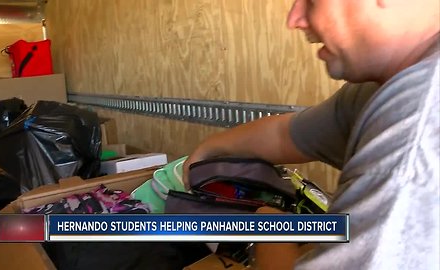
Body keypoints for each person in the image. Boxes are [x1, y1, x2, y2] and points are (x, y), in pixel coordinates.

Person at [183, 0, 439, 269]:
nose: (294, 19)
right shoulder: (379, 91)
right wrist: (208, 149)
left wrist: (272, 232)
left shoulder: (417, 126)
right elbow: (284, 134)